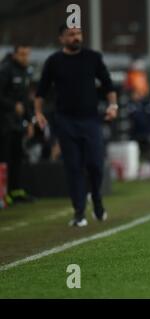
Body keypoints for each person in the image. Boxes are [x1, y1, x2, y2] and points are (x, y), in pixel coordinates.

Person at [34, 25, 118, 227]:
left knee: (96, 165)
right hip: (65, 121)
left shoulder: (92, 57)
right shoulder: (54, 61)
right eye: (71, 35)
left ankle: (96, 198)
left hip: (91, 119)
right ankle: (79, 212)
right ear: (61, 38)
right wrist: (38, 113)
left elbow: (107, 84)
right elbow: (41, 91)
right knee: (73, 167)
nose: (76, 37)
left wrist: (113, 106)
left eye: (78, 34)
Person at [0, 45, 35, 205]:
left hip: (17, 123)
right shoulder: (6, 70)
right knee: (4, 158)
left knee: (17, 157)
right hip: (4, 122)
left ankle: (16, 191)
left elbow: (26, 101)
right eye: (22, 55)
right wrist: (12, 105)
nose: (25, 58)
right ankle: (3, 193)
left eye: (27, 55)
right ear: (14, 55)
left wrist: (29, 121)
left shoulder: (25, 72)